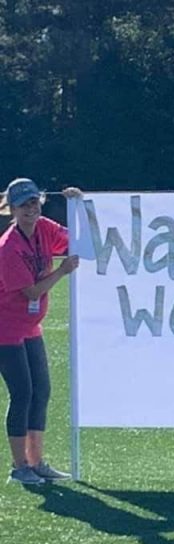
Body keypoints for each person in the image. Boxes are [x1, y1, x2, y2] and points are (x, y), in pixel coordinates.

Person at [0, 178, 81, 484]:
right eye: (23, 205)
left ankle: (37, 462)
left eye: (34, 202)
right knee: (22, 393)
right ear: (13, 209)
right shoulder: (8, 247)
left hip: (31, 327)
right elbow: (32, 293)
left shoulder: (45, 228)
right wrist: (62, 270)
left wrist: (78, 204)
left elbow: (77, 238)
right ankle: (19, 467)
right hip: (5, 329)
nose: (30, 209)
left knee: (42, 392)